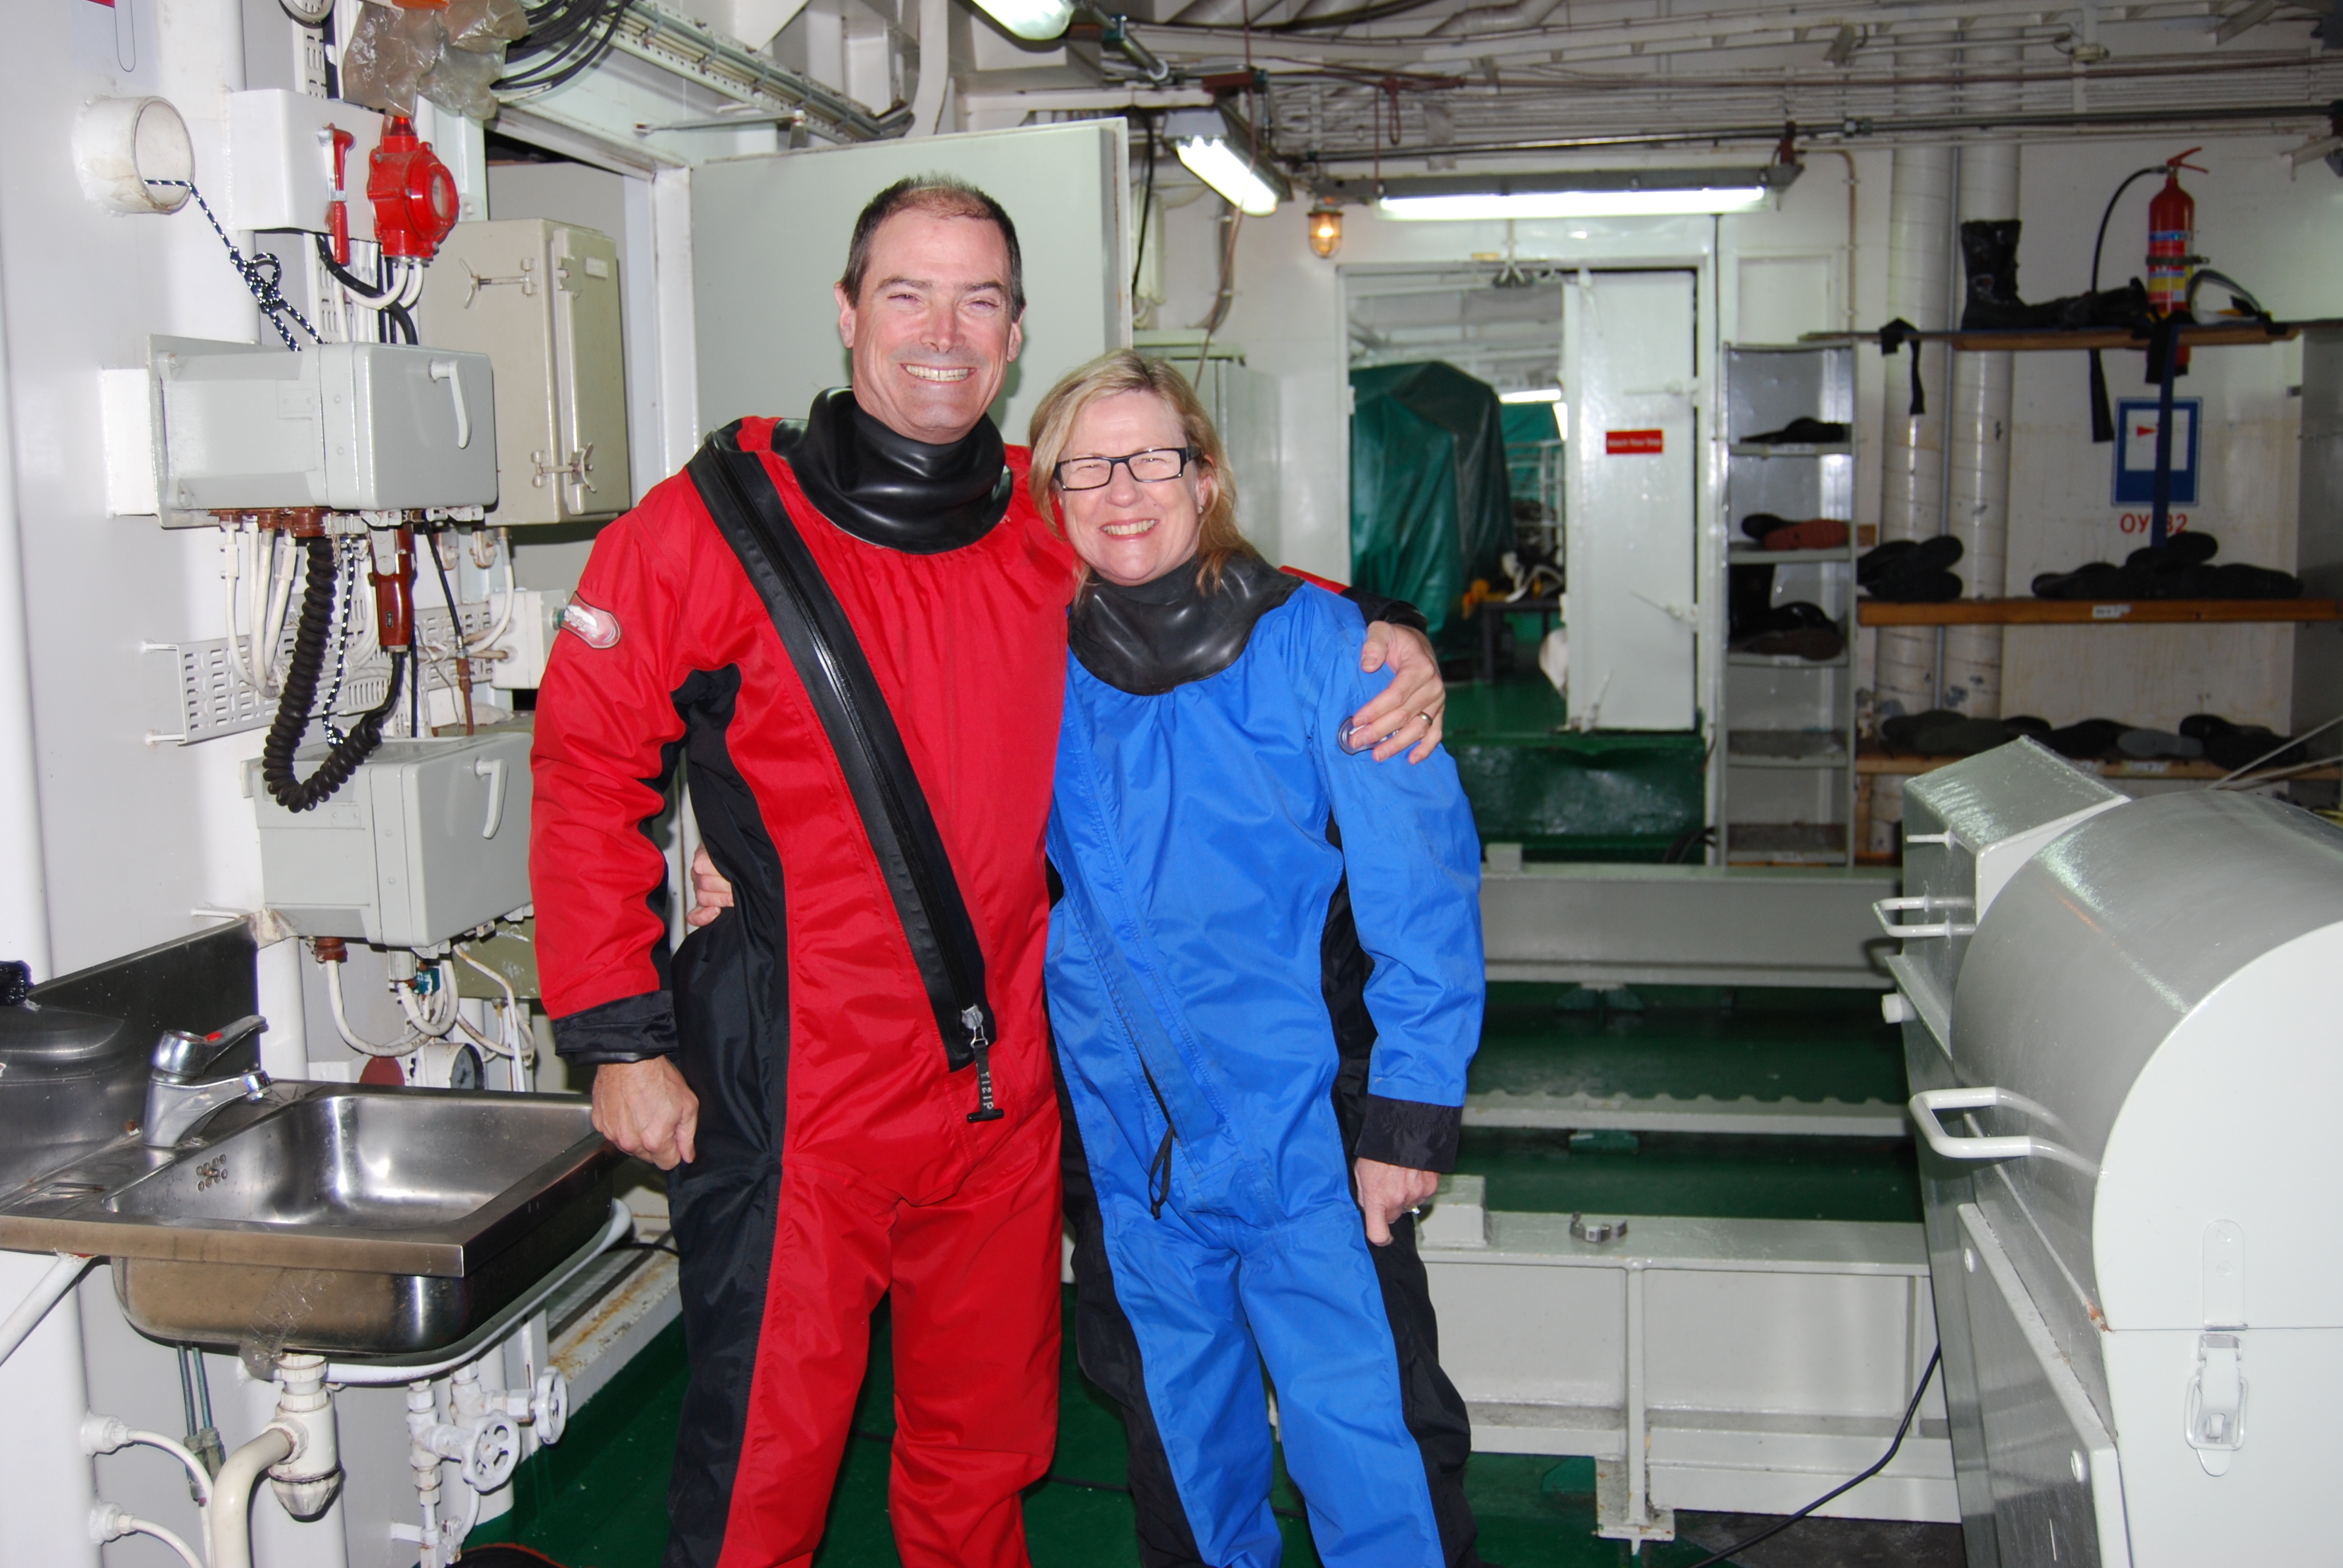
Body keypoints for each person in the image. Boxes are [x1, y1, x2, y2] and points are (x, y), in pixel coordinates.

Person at [529, 175, 1450, 1568]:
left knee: (985, 1453)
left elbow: (1217, 589)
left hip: (1002, 1096)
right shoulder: (709, 528)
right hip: (800, 1095)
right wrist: (618, 1035)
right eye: (907, 293)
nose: (942, 332)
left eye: (979, 301)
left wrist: (1390, 628)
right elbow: (588, 765)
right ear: (847, 313)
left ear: (1015, 337)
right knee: (764, 1468)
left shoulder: (1044, 523)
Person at [1032, 350, 1488, 1567]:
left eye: (1151, 459)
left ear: (1206, 476)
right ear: (1050, 496)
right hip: (1127, 1148)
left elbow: (1421, 891)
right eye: (1086, 467)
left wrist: (1411, 1114)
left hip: (1310, 1130)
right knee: (1184, 1459)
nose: (1122, 492)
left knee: (1375, 1446)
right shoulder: (1026, 667)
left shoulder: (1327, 648)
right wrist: (749, 869)